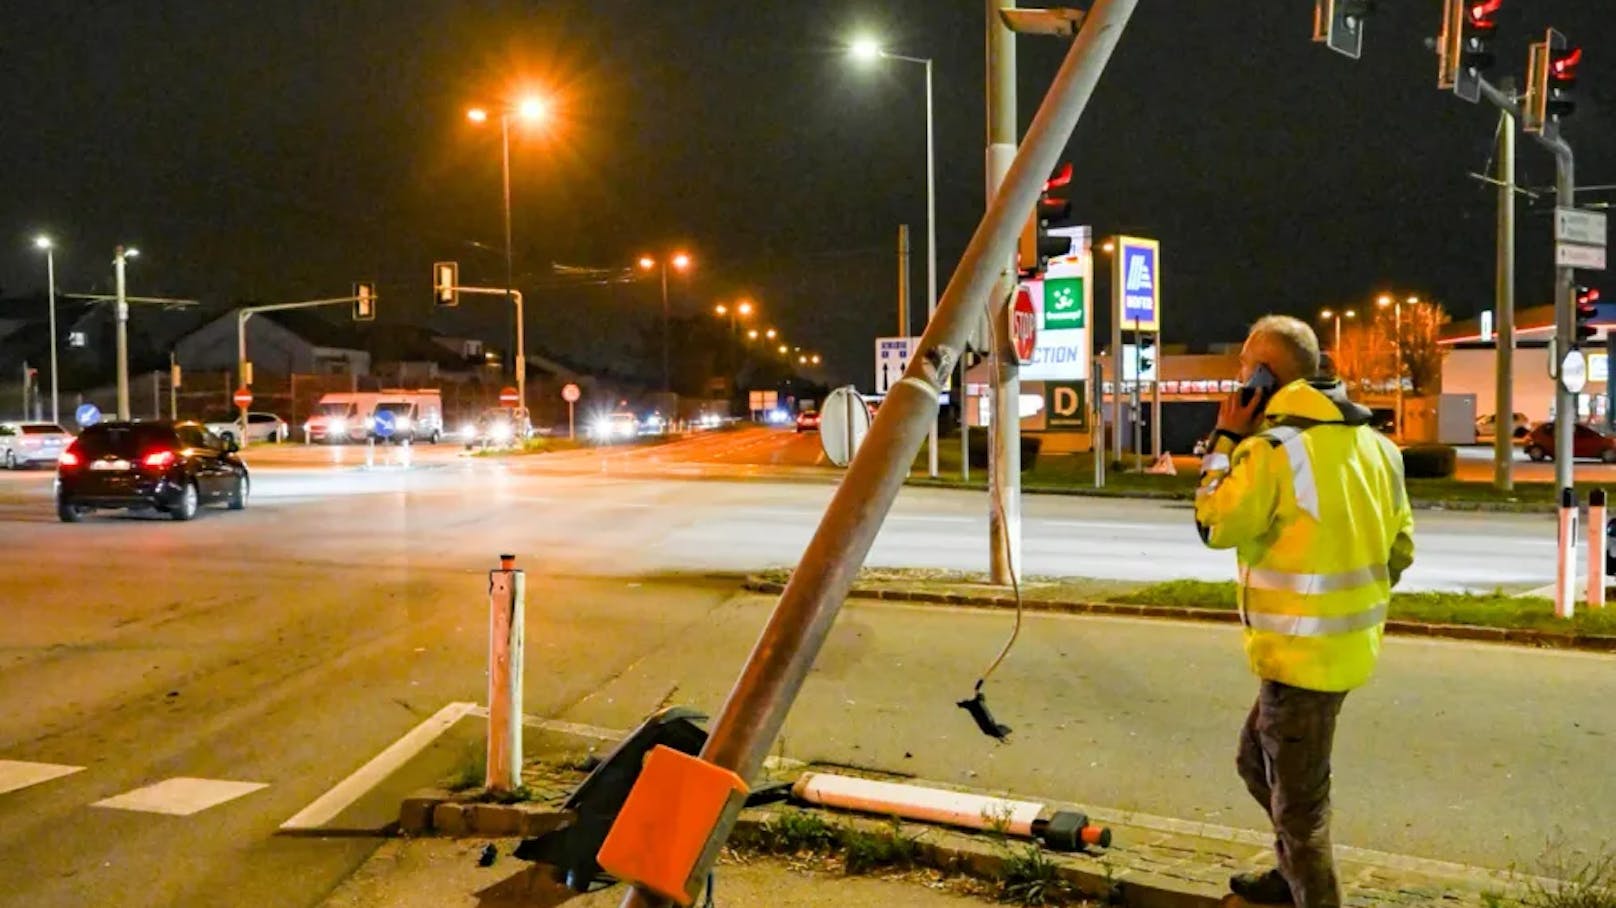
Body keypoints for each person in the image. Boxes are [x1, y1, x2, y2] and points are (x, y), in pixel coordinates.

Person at [1193, 315, 1414, 907]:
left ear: (1264, 377)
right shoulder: (1380, 450)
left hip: (1300, 658)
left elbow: (1213, 523)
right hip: (1340, 649)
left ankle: (1309, 890)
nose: (1237, 377)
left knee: (1301, 815)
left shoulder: (1271, 452)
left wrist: (1224, 442)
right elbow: (1401, 550)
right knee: (1254, 763)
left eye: (1244, 366)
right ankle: (1289, 876)